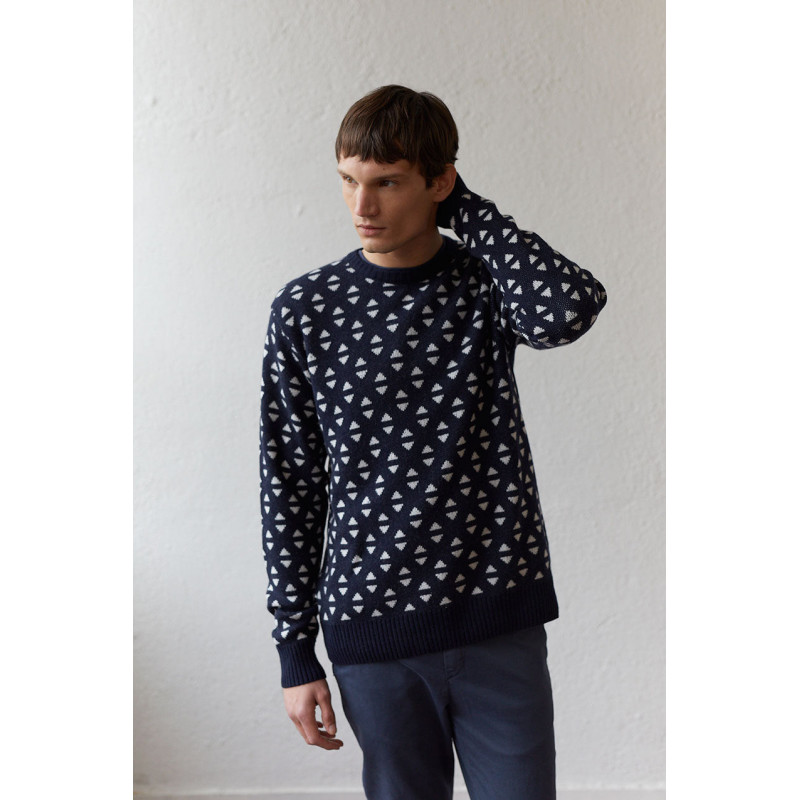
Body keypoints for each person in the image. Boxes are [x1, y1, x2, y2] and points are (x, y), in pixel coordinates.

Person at [259, 84, 607, 800]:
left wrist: (470, 213)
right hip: (372, 631)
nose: (362, 206)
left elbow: (568, 310)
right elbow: (290, 483)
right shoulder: (307, 309)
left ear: (439, 182)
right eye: (348, 181)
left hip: (496, 619)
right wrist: (295, 649)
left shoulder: (486, 287)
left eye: (388, 182)